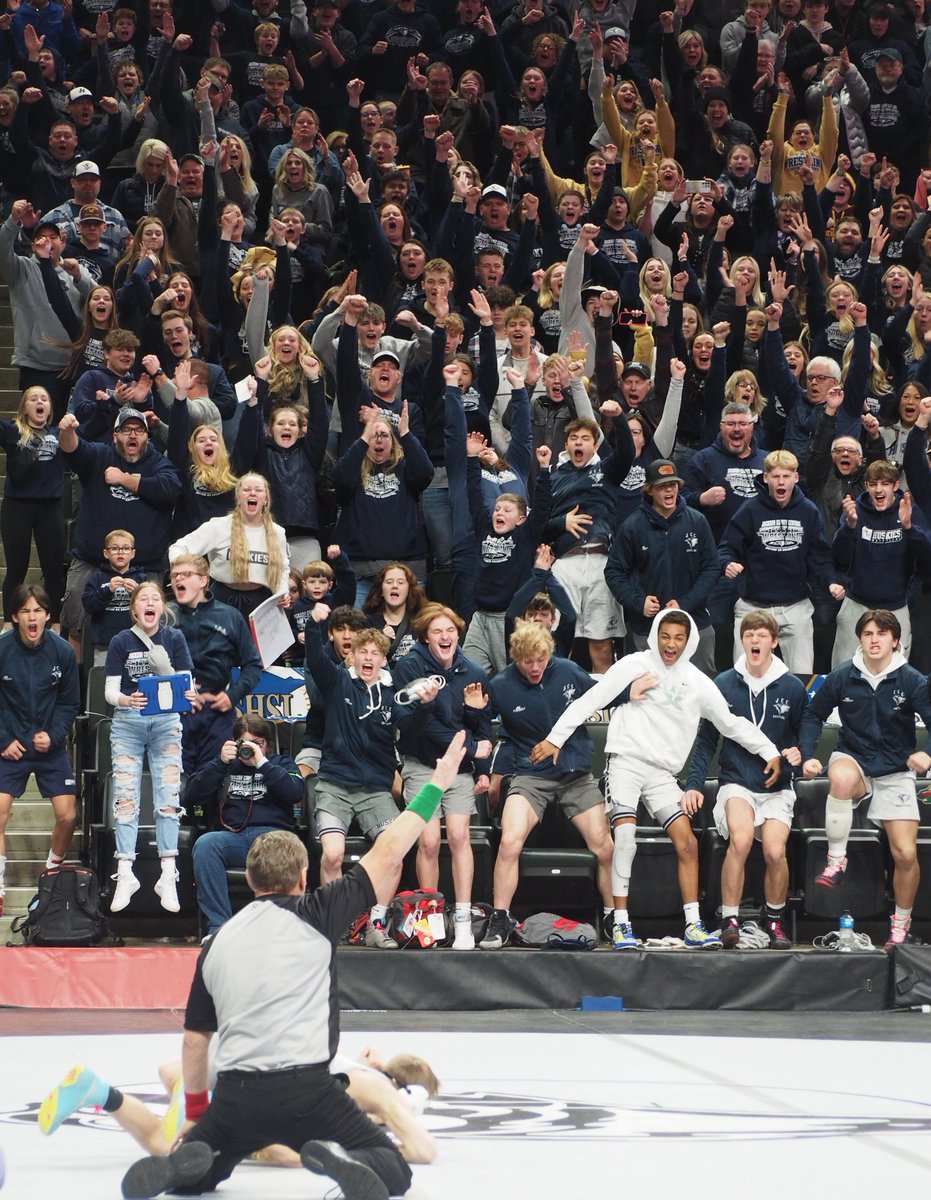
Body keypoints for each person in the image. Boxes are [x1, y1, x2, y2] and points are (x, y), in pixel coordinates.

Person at [119, 734, 470, 1200]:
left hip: (238, 1095)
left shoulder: (218, 942)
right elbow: (388, 850)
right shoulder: (318, 912)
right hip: (309, 1089)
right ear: (304, 879)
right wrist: (439, 783)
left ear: (249, 879)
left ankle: (191, 1164)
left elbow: (194, 1040)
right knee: (394, 1171)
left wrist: (200, 1111)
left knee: (198, 1178)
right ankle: (348, 1159)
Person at [530, 609, 784, 949]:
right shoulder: (634, 664)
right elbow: (591, 698)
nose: (671, 643)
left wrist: (771, 751)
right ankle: (620, 923)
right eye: (665, 635)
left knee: (688, 843)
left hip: (662, 774)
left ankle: (693, 925)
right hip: (626, 763)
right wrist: (554, 738)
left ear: (689, 640)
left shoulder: (696, 681)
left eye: (679, 637)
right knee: (626, 838)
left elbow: (731, 723)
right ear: (655, 636)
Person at [39, 1046, 439, 1167]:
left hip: (216, 1071)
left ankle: (100, 1093)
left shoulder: (351, 1069)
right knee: (167, 1148)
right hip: (228, 1082)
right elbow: (423, 1150)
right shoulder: (380, 1091)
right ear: (409, 1094)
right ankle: (96, 1090)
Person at [800, 608, 931, 949]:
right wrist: (809, 753)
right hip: (854, 758)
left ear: (895, 640)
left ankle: (900, 926)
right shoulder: (843, 675)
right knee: (838, 777)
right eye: (868, 634)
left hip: (894, 769)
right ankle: (835, 860)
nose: (875, 640)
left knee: (904, 854)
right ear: (860, 639)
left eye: (882, 634)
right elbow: (813, 713)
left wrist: (927, 754)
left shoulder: (912, 679)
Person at [481, 622, 615, 949]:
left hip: (576, 775)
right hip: (531, 776)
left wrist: (633, 691)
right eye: (528, 661)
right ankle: (499, 918)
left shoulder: (569, 671)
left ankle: (614, 916)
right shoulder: (500, 685)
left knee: (606, 847)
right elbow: (488, 732)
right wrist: (494, 773)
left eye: (541, 659)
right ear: (517, 658)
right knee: (510, 841)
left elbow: (610, 693)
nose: (536, 666)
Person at [684, 609, 809, 949]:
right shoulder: (723, 683)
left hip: (777, 786)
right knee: (739, 840)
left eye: (762, 635)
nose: (755, 640)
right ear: (742, 641)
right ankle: (730, 919)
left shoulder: (793, 686)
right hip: (737, 780)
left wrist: (797, 759)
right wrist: (694, 783)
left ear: (774, 642)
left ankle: (775, 921)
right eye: (749, 634)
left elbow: (804, 734)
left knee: (773, 850)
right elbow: (706, 740)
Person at [305, 610, 429, 949]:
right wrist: (314, 623)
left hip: (375, 789)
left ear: (384, 659)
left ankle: (376, 923)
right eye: (362, 652)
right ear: (352, 655)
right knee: (332, 854)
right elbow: (315, 657)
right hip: (334, 784)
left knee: (395, 852)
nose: (368, 657)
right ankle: (334, 921)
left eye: (375, 653)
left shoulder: (394, 693)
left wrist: (423, 706)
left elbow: (411, 728)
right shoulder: (337, 682)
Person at [393, 604, 492, 950]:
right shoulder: (410, 666)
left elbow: (482, 729)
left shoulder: (473, 670)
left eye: (450, 630)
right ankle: (430, 916)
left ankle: (462, 918)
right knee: (430, 841)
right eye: (437, 631)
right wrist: (426, 706)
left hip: (460, 767)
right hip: (424, 763)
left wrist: (480, 764)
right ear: (425, 637)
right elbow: (409, 726)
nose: (445, 636)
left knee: (461, 835)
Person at [57, 406, 182, 657]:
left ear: (147, 436)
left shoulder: (159, 463)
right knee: (75, 620)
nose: (133, 435)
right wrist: (66, 431)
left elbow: (170, 489)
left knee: (152, 627)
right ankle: (78, 688)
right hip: (92, 562)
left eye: (139, 430)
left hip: (145, 567)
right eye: (126, 430)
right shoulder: (100, 455)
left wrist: (124, 479)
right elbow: (73, 448)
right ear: (115, 435)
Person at [104, 581, 196, 915]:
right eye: (143, 599)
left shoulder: (175, 638)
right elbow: (110, 691)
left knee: (168, 797)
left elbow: (186, 685)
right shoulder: (120, 641)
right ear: (134, 607)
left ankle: (167, 872)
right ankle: (125, 872)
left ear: (163, 607)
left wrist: (171, 676)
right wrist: (126, 699)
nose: (150, 602)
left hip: (166, 721)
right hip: (129, 720)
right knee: (126, 797)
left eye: (155, 598)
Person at [719, 449, 845, 672]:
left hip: (795, 605)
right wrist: (727, 562)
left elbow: (820, 557)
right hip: (753, 606)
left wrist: (830, 581)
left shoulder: (808, 511)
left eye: (786, 476)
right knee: (743, 675)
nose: (781, 482)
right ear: (766, 477)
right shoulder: (749, 509)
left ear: (795, 478)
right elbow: (727, 547)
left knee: (802, 676)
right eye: (776, 476)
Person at [0, 585, 79, 916]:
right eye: (25, 611)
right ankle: (0, 889)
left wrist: (55, 734)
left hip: (50, 746)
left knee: (68, 815)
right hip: (10, 746)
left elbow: (70, 702)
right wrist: (3, 739)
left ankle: (49, 878)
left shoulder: (62, 651)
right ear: (15, 617)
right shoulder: (2, 648)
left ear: (48, 616)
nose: (32, 617)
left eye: (38, 611)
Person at [188, 714, 303, 939]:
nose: (251, 748)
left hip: (272, 837)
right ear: (234, 743)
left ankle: (276, 930)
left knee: (280, 846)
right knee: (205, 844)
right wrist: (219, 763)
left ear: (266, 744)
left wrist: (263, 764)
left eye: (257, 743)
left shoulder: (281, 763)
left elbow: (295, 792)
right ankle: (218, 929)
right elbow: (192, 794)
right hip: (234, 837)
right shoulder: (225, 765)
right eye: (245, 743)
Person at [605, 458, 719, 674]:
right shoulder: (632, 527)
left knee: (702, 690)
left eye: (673, 484)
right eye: (662, 486)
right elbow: (614, 572)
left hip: (695, 622)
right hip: (646, 627)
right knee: (647, 692)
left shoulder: (697, 521)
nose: (669, 490)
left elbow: (712, 568)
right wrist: (638, 603)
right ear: (649, 490)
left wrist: (685, 603)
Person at [168, 556, 263, 775]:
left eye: (185, 574)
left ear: (203, 581)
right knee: (173, 785)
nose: (178, 579)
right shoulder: (166, 615)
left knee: (214, 780)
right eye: (174, 576)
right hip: (174, 711)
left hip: (217, 711)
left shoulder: (230, 616)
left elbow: (253, 665)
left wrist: (233, 696)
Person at [168, 473, 289, 618]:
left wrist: (282, 592)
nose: (252, 493)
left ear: (266, 499)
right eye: (246, 489)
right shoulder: (218, 526)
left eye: (258, 490)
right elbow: (179, 547)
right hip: (221, 599)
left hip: (261, 603)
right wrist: (182, 572)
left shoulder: (278, 532)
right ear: (238, 497)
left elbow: (283, 568)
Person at [0, 386, 66, 626]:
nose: (40, 402)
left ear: (49, 408)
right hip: (17, 507)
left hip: (50, 508)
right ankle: (9, 622)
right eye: (33, 399)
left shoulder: (59, 433)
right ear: (25, 408)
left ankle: (56, 622)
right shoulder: (12, 430)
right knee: (16, 569)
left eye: (45, 399)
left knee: (54, 571)